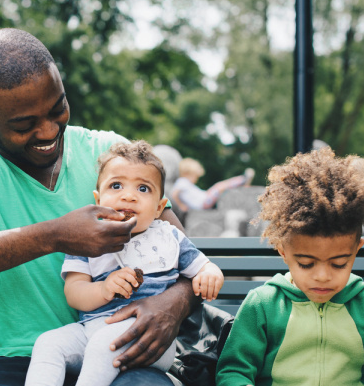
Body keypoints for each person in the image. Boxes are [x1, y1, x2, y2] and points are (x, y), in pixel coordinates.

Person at [0, 28, 201, 386]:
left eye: (58, 108)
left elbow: (180, 251)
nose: (49, 131)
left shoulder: (112, 156)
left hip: (119, 356)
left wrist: (173, 305)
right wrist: (52, 237)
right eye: (24, 124)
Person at [25, 141, 224, 386]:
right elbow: (74, 293)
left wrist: (210, 273)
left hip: (149, 339)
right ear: (98, 199)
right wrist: (102, 289)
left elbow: (202, 266)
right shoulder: (85, 239)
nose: (128, 196)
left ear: (159, 207)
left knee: (104, 344)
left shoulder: (169, 237)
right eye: (116, 185)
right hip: (91, 329)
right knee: (49, 343)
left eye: (143, 189)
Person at [216, 147, 364, 386]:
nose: (322, 276)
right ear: (283, 251)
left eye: (339, 264)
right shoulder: (263, 304)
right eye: (306, 264)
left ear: (355, 250)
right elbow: (234, 371)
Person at [170, 158, 254, 211]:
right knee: (219, 186)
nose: (196, 180)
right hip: (203, 202)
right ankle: (242, 180)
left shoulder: (184, 182)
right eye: (195, 176)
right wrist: (181, 206)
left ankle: (242, 180)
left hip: (204, 199)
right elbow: (174, 194)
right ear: (187, 173)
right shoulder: (182, 181)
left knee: (219, 186)